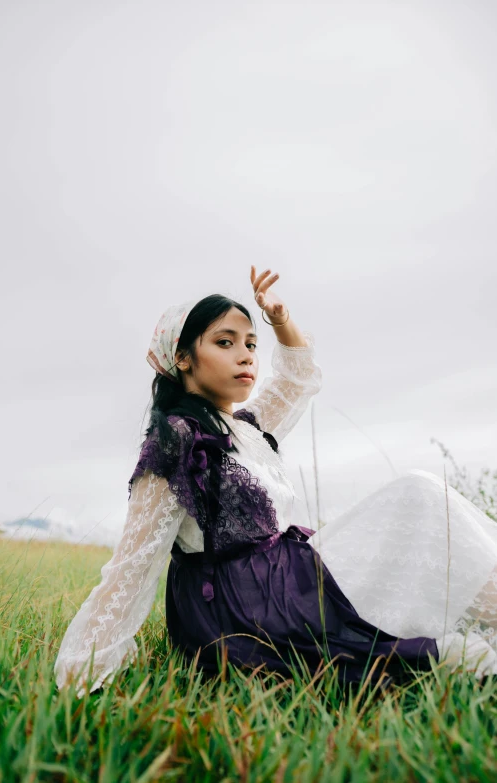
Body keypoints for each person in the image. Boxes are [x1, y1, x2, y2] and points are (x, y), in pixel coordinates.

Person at [54, 266, 497, 699]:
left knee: (420, 505)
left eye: (250, 344)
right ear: (183, 358)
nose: (246, 355)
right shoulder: (175, 440)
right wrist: (83, 670)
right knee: (416, 494)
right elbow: (133, 565)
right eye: (225, 343)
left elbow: (295, 379)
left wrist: (279, 320)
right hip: (241, 608)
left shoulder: (246, 428)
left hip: (290, 577)